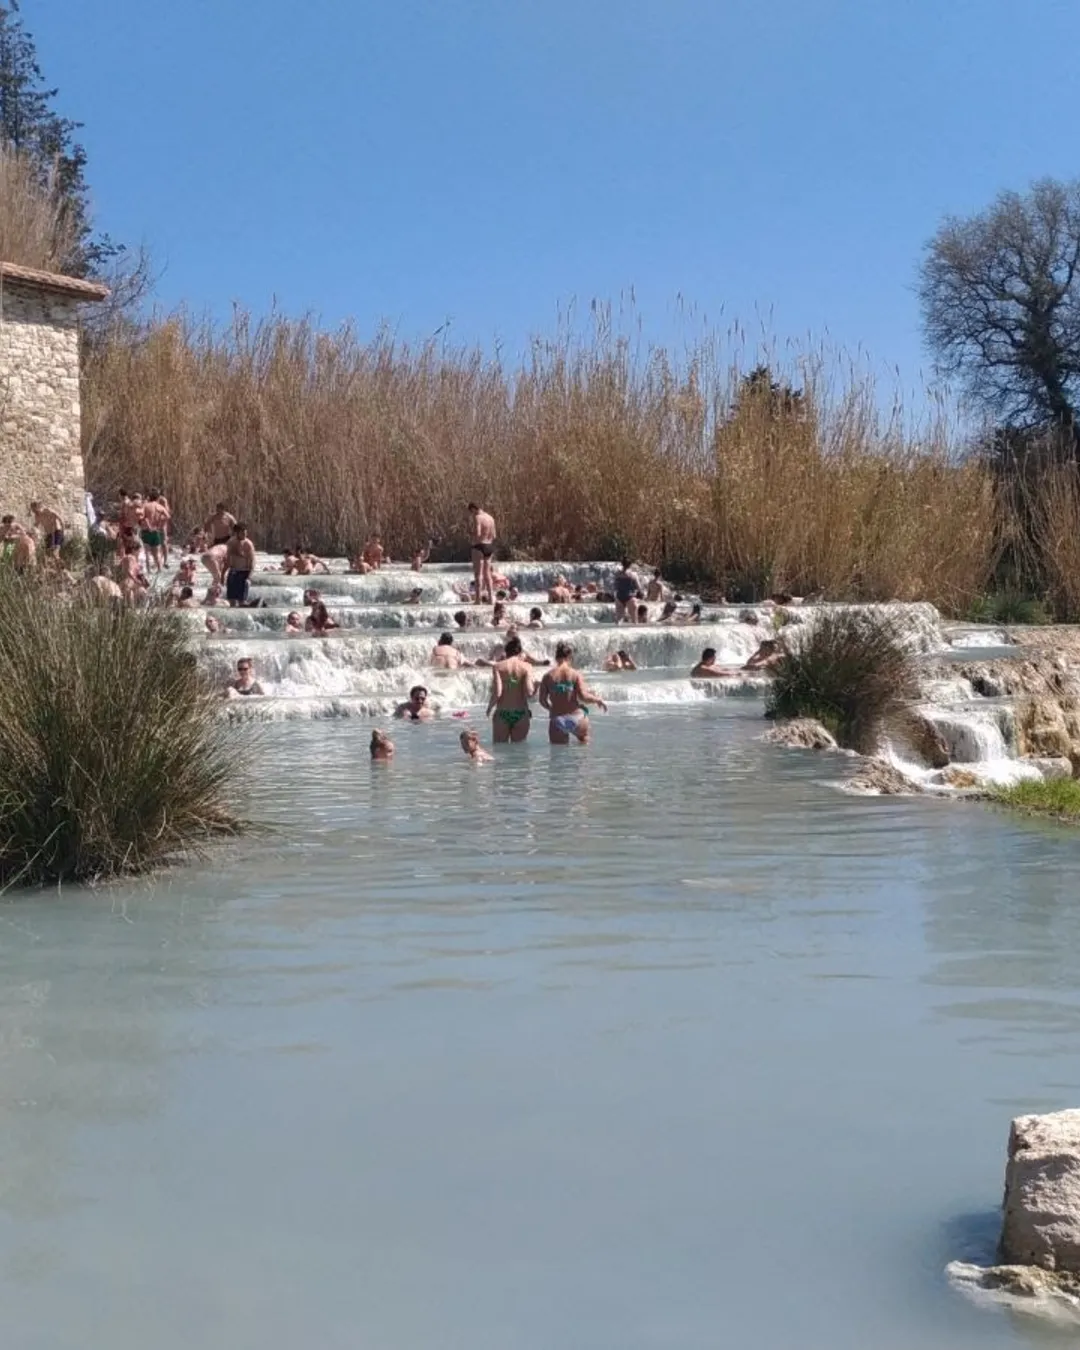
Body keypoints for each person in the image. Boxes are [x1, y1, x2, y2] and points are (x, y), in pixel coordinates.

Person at [539, 641, 608, 744]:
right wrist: (598, 700)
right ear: (570, 657)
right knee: (583, 750)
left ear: (556, 657)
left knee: (558, 756)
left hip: (558, 719)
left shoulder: (548, 676)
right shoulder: (575, 674)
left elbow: (542, 701)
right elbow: (583, 696)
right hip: (577, 717)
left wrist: (551, 709)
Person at [486, 634, 535, 743]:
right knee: (519, 753)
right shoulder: (527, 667)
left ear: (506, 653)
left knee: (500, 751)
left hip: (503, 713)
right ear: (520, 653)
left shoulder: (498, 666)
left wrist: (489, 708)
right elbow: (529, 692)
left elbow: (498, 692)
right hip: (521, 713)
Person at [467, 502, 497, 604]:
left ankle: (478, 599)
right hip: (489, 546)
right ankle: (491, 598)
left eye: (471, 512)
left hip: (479, 546)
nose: (472, 514)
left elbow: (478, 533)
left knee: (478, 574)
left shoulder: (478, 517)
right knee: (487, 574)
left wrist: (471, 535)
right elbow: (494, 536)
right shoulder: (490, 518)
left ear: (473, 509)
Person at [224, 521, 256, 607]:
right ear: (237, 532)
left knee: (242, 601)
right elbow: (226, 559)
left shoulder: (248, 544)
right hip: (233, 572)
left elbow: (253, 561)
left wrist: (249, 577)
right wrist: (223, 573)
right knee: (231, 600)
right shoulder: (231, 542)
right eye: (242, 532)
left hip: (243, 573)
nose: (245, 534)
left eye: (246, 532)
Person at [613, 558, 639, 623]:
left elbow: (615, 586)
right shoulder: (633, 574)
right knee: (634, 620)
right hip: (630, 597)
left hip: (619, 597)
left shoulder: (617, 574)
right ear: (630, 565)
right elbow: (639, 587)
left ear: (622, 564)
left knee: (618, 620)